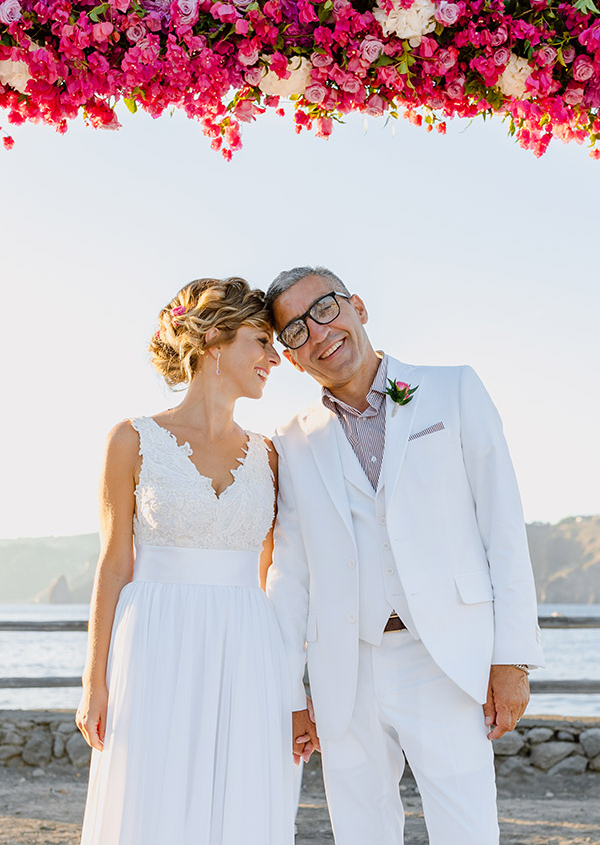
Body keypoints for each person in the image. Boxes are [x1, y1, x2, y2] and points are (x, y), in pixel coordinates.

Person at [265, 266, 545, 845]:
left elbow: (502, 528)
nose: (317, 334)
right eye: (294, 332)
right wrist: (290, 694)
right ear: (290, 357)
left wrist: (512, 658)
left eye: (324, 310)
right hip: (346, 667)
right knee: (362, 833)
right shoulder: (291, 441)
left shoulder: (454, 390)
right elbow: (289, 575)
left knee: (467, 831)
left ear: (358, 306)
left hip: (445, 657)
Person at [76, 277, 296, 845]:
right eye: (261, 340)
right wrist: (94, 680)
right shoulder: (131, 439)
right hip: (154, 641)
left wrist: (296, 688)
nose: (275, 358)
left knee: (240, 802)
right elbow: (114, 565)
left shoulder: (270, 456)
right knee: (152, 799)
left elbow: (278, 575)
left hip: (248, 646)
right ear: (216, 343)